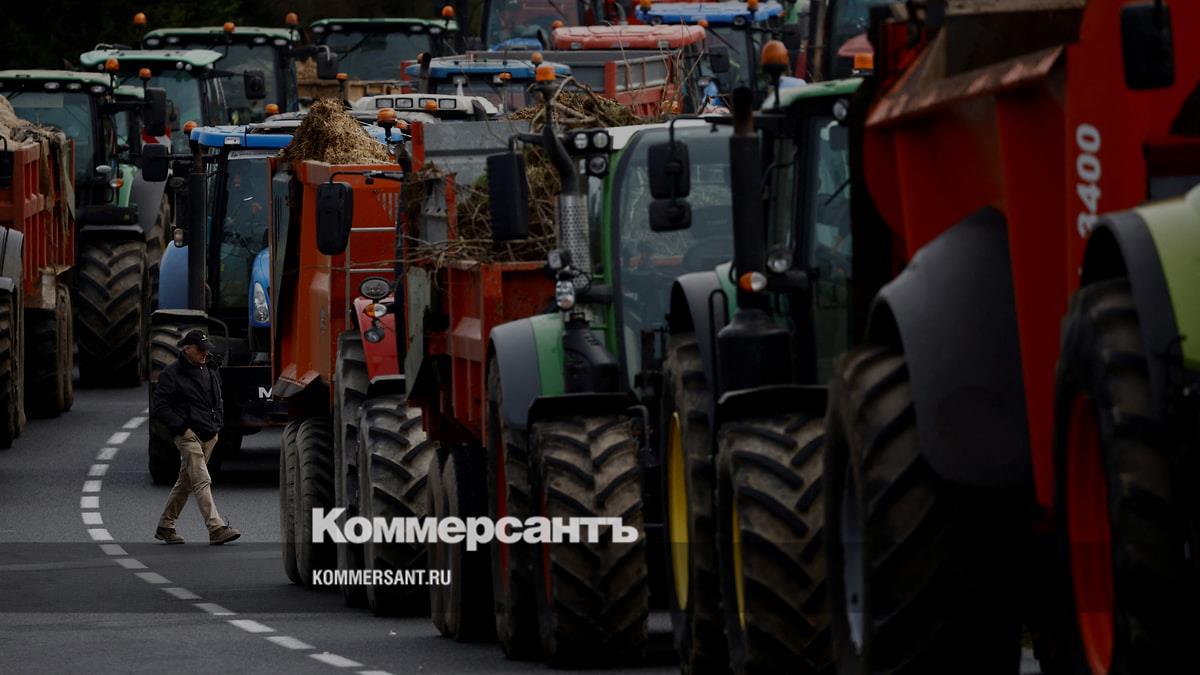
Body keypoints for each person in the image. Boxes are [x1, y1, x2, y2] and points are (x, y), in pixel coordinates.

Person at [153, 330, 241, 545]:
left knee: (185, 483)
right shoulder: (170, 375)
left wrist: (217, 426)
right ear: (187, 349)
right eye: (200, 349)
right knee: (202, 480)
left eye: (206, 349)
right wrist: (183, 428)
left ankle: (165, 526)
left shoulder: (209, 368)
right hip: (188, 437)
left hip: (210, 435)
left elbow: (217, 399)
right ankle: (216, 528)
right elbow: (160, 408)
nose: (204, 353)